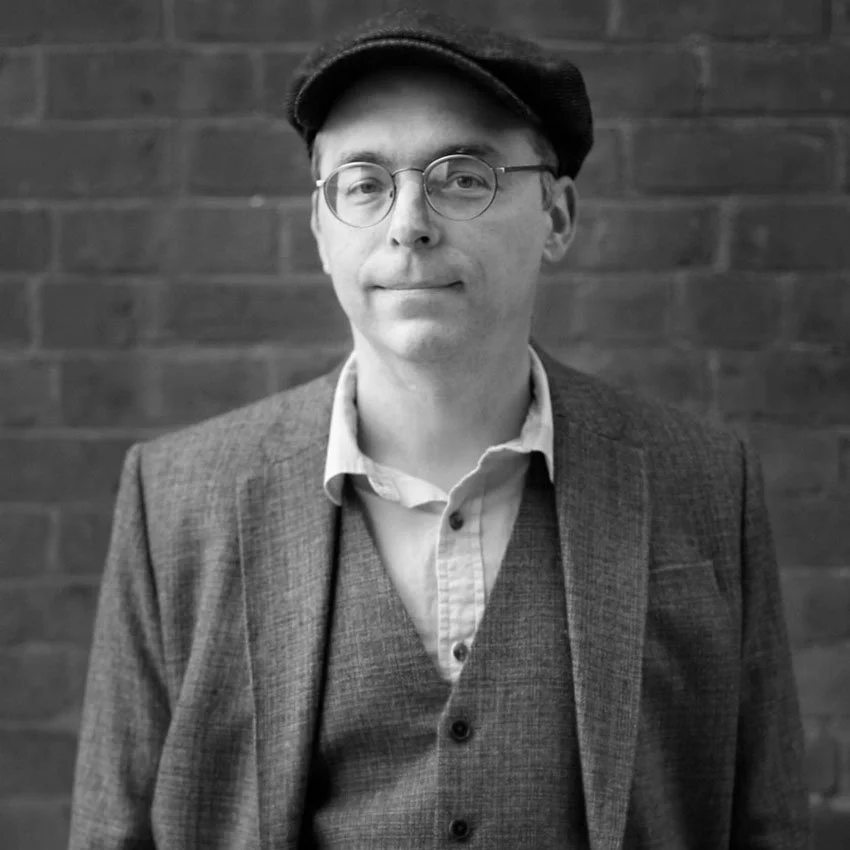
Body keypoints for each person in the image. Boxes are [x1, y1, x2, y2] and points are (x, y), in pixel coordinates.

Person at [68, 9, 810, 849]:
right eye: (363, 182)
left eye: (463, 177)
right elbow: (111, 834)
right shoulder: (173, 504)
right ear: (320, 228)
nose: (409, 221)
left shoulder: (705, 483)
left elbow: (769, 824)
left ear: (558, 217)